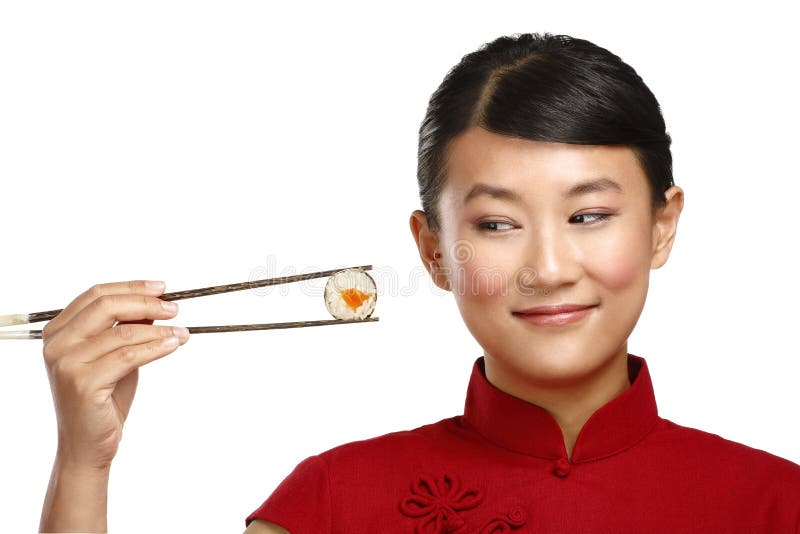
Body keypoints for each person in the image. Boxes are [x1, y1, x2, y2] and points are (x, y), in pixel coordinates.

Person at [38, 32, 799, 534]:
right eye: (497, 224)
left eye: (590, 214)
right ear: (433, 251)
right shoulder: (328, 503)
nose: (548, 268)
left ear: (662, 224)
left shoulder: (775, 505)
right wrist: (83, 463)